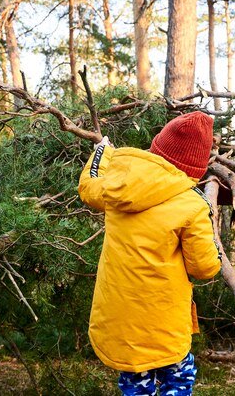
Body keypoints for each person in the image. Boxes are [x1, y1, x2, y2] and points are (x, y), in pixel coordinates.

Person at [78, 111, 222, 396]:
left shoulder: (117, 187)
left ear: (156, 149)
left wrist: (103, 151)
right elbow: (204, 268)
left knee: (135, 384)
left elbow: (88, 187)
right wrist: (216, 249)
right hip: (166, 325)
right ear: (196, 168)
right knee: (179, 377)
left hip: (122, 323)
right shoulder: (192, 205)